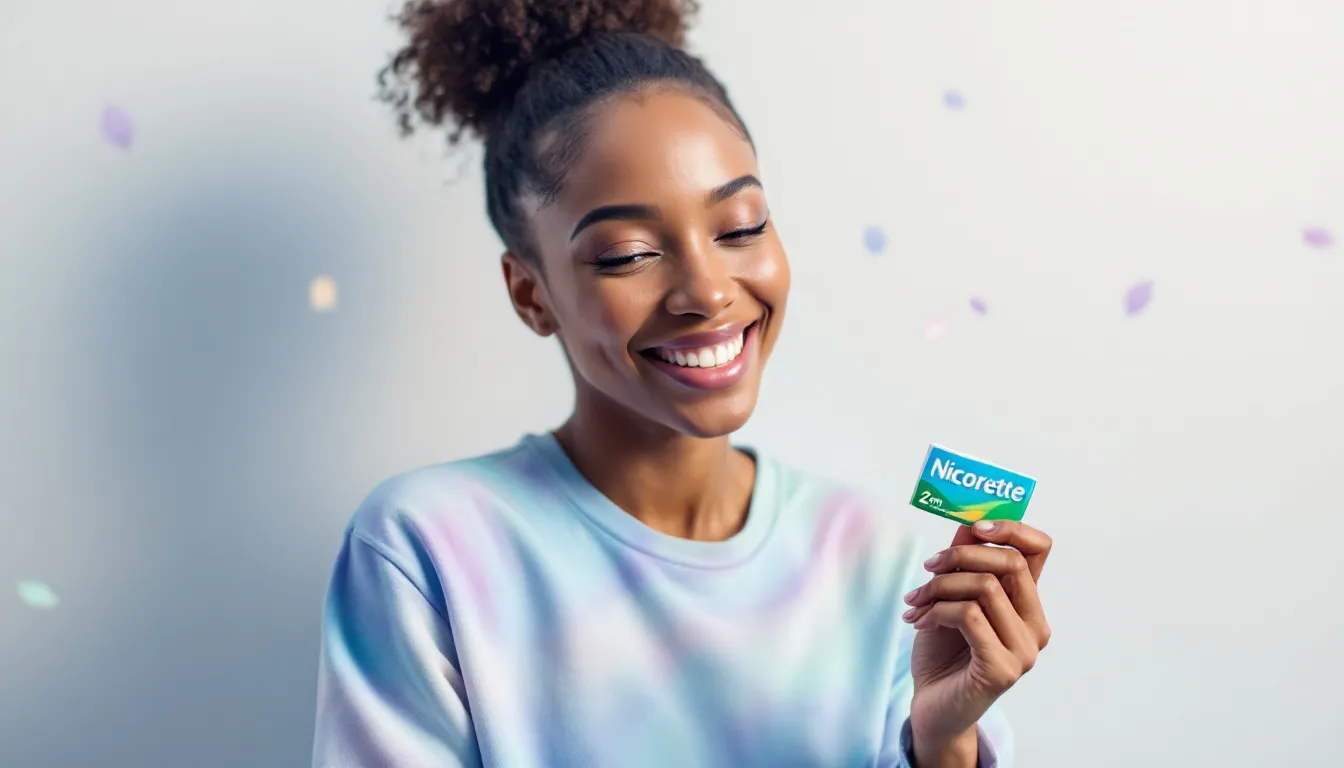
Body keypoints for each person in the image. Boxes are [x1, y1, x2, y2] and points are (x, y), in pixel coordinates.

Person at [311, 1, 1053, 766]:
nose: (707, 290)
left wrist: (944, 741)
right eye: (628, 253)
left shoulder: (883, 561)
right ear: (531, 294)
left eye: (739, 228)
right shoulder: (429, 545)